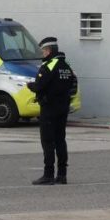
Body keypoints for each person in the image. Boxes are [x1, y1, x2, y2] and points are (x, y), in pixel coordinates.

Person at [27, 37, 76, 185]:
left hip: (49, 109)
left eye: (43, 51)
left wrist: (31, 85)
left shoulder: (49, 65)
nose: (42, 53)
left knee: (48, 141)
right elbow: (74, 85)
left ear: (48, 51)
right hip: (63, 108)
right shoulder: (66, 65)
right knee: (60, 140)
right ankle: (62, 175)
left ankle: (48, 175)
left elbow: (39, 86)